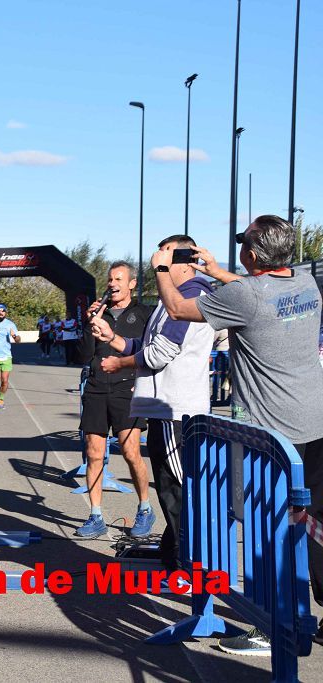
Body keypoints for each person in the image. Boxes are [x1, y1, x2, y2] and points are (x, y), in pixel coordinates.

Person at [151, 215, 323, 655]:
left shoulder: (243, 294)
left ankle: (273, 625)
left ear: (250, 255)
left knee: (267, 526)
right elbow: (260, 294)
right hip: (315, 421)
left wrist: (161, 270)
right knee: (315, 527)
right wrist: (216, 270)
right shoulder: (305, 283)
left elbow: (177, 309)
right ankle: (310, 615)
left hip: (271, 434)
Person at [90, 235, 214, 569]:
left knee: (179, 490)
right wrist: (112, 338)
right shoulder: (169, 299)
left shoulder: (191, 295)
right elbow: (142, 345)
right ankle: (176, 554)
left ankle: (189, 563)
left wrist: (119, 364)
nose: (157, 263)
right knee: (172, 489)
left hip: (177, 408)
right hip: (162, 408)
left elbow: (160, 353)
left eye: (165, 257)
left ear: (185, 261)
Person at [75, 261, 152, 539]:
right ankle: (95, 516)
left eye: (119, 279)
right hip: (96, 388)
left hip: (127, 389)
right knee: (94, 454)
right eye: (109, 279)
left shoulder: (144, 313)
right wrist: (89, 322)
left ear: (132, 283)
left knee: (131, 452)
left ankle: (144, 508)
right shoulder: (100, 313)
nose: (112, 283)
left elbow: (150, 350)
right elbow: (82, 355)